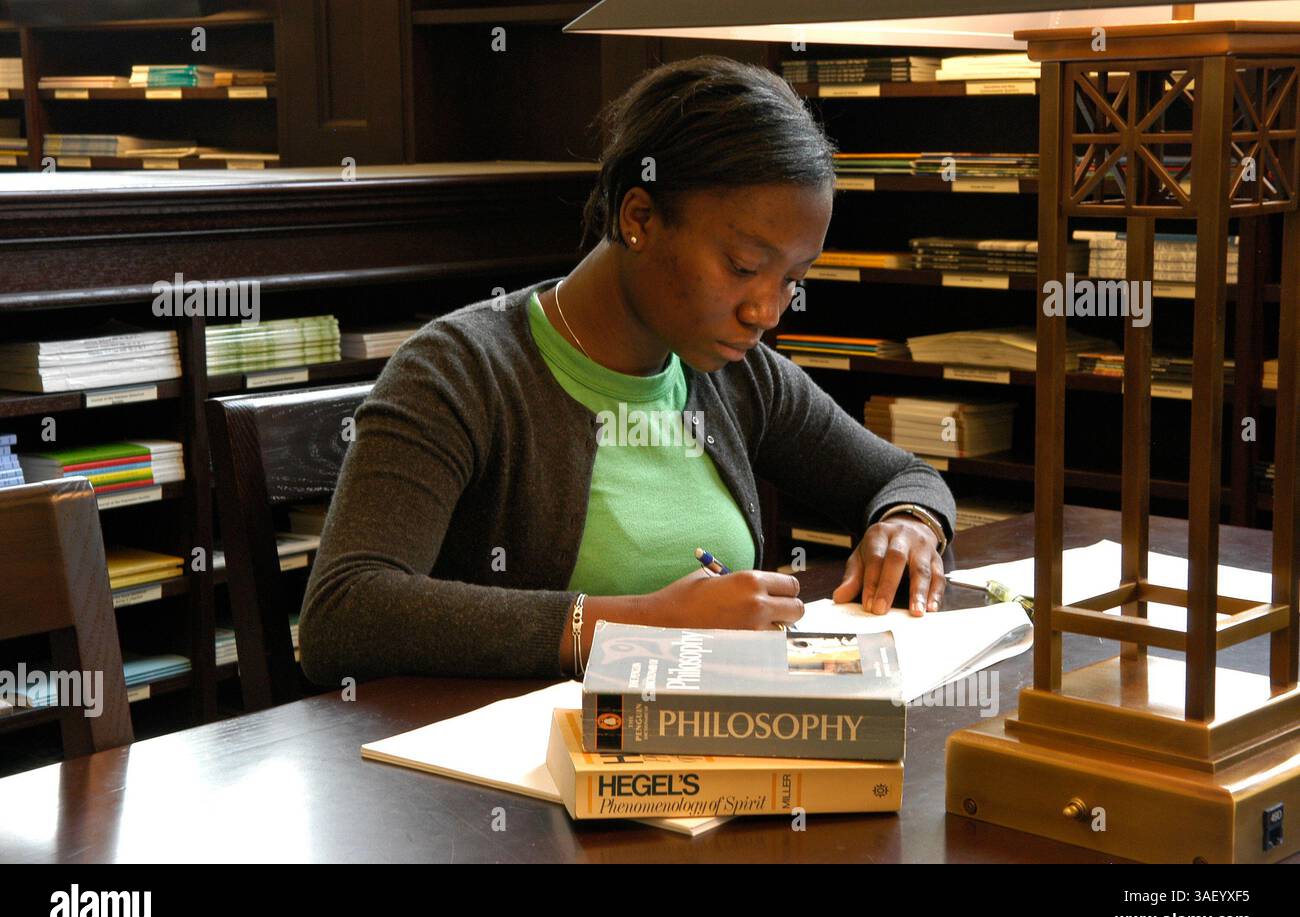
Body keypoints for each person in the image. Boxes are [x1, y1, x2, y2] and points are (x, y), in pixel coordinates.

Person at [299, 55, 955, 685]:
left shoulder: (736, 374)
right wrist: (633, 625)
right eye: (744, 267)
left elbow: (905, 477)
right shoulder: (459, 373)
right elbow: (345, 613)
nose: (766, 311)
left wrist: (910, 523)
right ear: (639, 218)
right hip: (501, 773)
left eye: (793, 278)